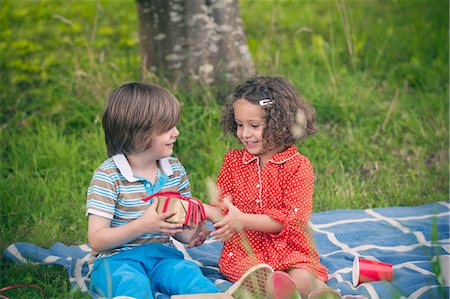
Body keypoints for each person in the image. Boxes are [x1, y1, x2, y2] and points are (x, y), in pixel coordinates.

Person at [204, 75, 342, 299]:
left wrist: (243, 220)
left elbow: (291, 220)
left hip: (290, 249)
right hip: (246, 254)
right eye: (240, 125)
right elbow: (224, 209)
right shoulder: (233, 161)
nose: (244, 134)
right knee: (268, 281)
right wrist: (200, 210)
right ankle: (278, 294)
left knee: (302, 277)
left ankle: (324, 295)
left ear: (280, 124)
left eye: (254, 126)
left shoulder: (299, 167)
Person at [85, 82, 221, 299]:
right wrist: (142, 226)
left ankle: (216, 296)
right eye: (167, 128)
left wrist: (192, 234)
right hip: (116, 260)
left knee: (188, 275)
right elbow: (97, 239)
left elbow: (178, 229)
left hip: (164, 256)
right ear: (138, 132)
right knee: (130, 284)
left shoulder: (173, 170)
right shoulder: (109, 175)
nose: (176, 132)